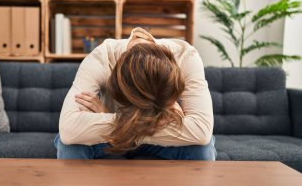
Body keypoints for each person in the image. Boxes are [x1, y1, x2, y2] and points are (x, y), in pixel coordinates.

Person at [54, 27, 216, 160]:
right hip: (120, 139)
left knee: (202, 150)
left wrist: (109, 117)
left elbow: (201, 131)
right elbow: (68, 130)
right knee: (70, 147)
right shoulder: (101, 58)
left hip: (152, 137)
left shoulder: (186, 57)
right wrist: (153, 121)